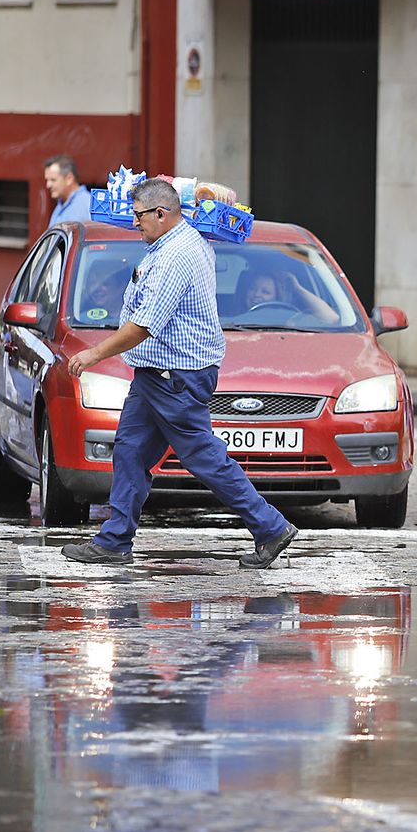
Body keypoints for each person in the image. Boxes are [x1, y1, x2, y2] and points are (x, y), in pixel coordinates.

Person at [60, 178, 297, 569]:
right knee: (131, 451)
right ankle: (115, 540)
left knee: (204, 457)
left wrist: (93, 355)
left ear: (161, 215)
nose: (134, 222)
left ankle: (270, 526)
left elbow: (144, 325)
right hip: (158, 373)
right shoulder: (172, 240)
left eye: (139, 216)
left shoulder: (176, 256)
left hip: (176, 376)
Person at [235, 269, 339, 326]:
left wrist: (298, 289)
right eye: (252, 288)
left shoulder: (294, 319)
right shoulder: (230, 319)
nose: (257, 294)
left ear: (277, 297)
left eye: (265, 292)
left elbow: (331, 318)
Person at [44, 155, 91, 225]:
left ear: (69, 178)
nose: (48, 185)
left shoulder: (87, 204)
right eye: (47, 180)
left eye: (53, 180)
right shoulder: (60, 204)